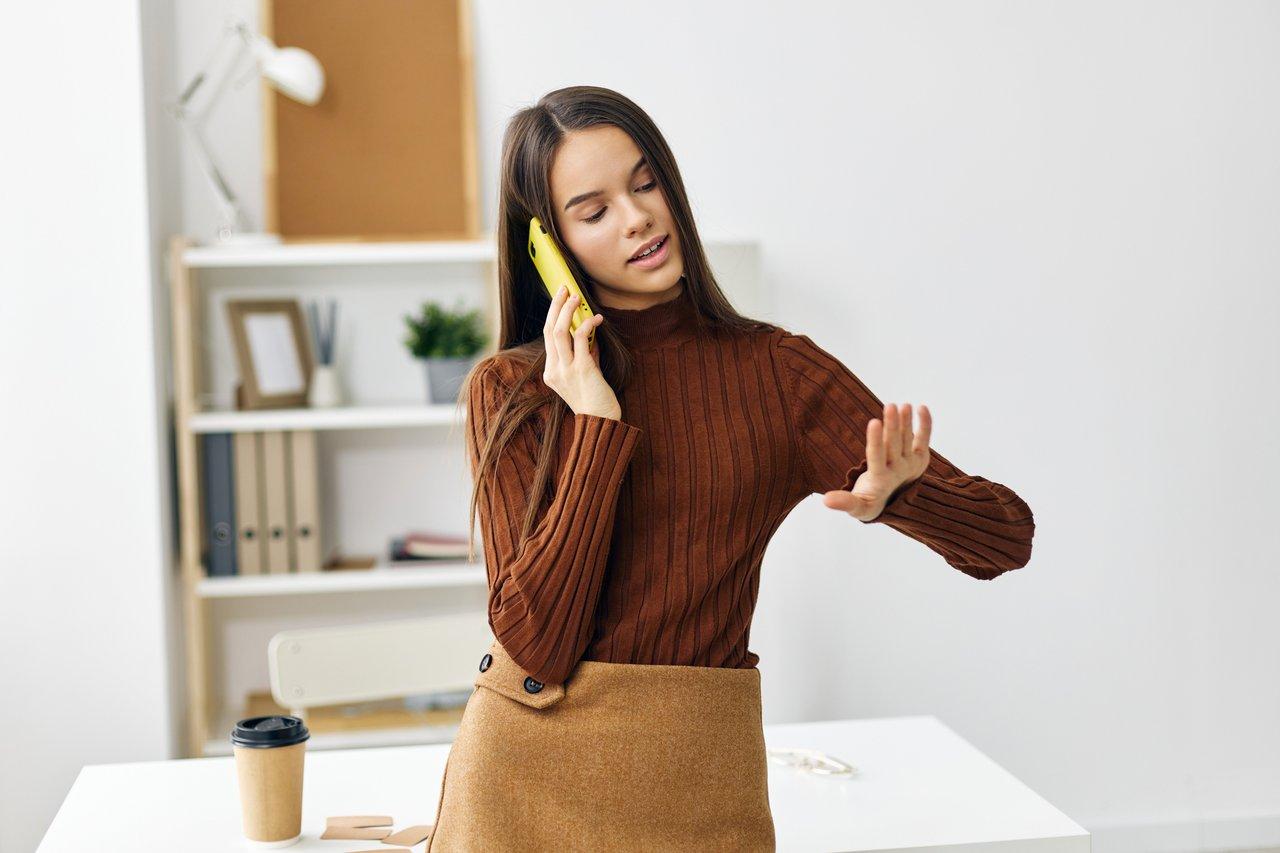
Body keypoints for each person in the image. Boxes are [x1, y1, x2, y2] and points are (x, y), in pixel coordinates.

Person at [425, 85, 1035, 852]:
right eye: (594, 210)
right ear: (549, 247)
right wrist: (596, 426)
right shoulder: (513, 391)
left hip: (696, 776)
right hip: (521, 784)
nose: (638, 216)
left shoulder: (775, 371)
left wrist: (897, 499)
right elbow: (537, 641)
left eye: (645, 183)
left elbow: (1006, 540)